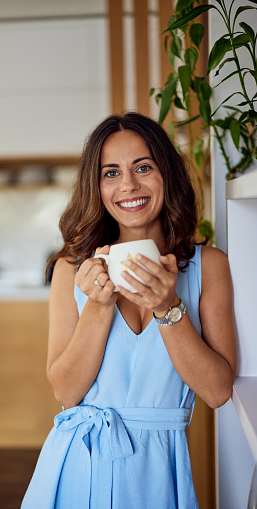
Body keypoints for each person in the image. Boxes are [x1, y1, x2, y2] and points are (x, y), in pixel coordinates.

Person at [21, 112, 236, 509]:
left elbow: (218, 390)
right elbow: (66, 392)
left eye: (143, 167)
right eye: (111, 173)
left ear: (166, 174)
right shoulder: (71, 270)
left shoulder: (210, 266)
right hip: (79, 466)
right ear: (97, 187)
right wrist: (98, 308)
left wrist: (167, 307)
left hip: (159, 473)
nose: (129, 185)